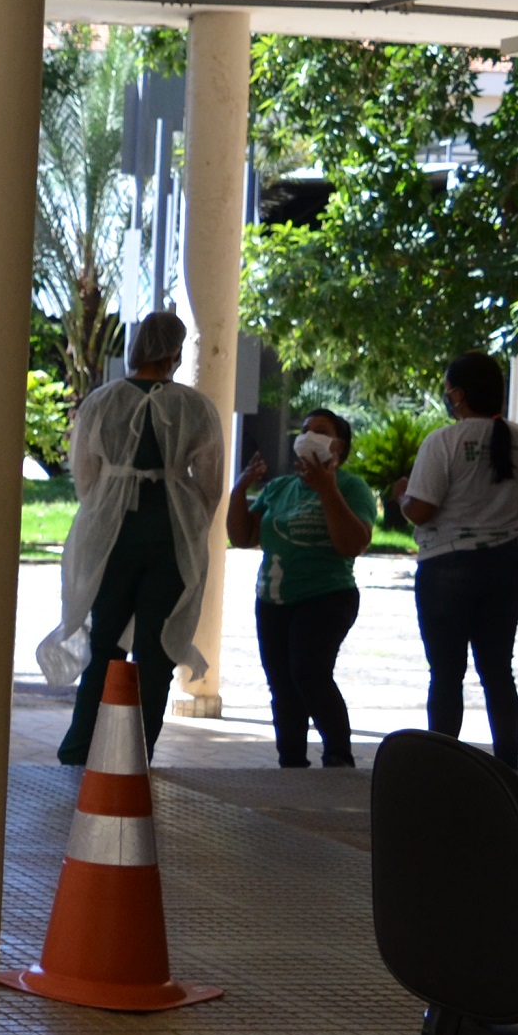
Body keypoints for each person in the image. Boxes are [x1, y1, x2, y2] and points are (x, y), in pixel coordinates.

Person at [36, 311, 222, 764]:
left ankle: (82, 746)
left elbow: (84, 475)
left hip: (111, 533)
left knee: (105, 644)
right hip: (172, 535)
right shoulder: (195, 406)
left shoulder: (103, 400)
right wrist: (184, 504)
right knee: (157, 652)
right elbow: (211, 483)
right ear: (175, 351)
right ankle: (137, 752)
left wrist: (110, 500)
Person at [403, 351, 518, 766]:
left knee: (446, 674)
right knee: (498, 672)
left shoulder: (444, 441)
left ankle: (443, 770)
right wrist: (515, 550)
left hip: (447, 568)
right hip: (508, 568)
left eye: (448, 390)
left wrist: (401, 498)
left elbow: (423, 510)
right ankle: (508, 769)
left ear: (459, 395)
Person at [228, 408, 376, 768]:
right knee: (281, 683)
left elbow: (352, 544)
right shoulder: (280, 488)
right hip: (275, 598)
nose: (307, 435)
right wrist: (240, 489)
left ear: (337, 446)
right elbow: (242, 536)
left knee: (308, 671)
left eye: (320, 431)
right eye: (304, 429)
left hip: (327, 597)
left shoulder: (352, 488)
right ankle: (291, 762)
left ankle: (338, 754)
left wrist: (327, 489)